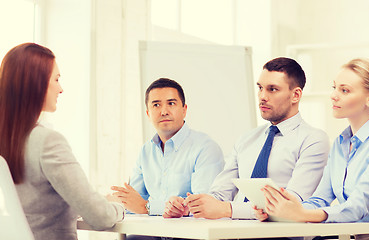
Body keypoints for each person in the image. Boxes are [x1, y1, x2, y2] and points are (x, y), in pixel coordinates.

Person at [256, 58, 369, 240]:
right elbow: (320, 199)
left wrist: (302, 215)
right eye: (334, 87)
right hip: (355, 235)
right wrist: (281, 211)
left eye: (344, 90)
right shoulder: (340, 143)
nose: (334, 95)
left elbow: (357, 207)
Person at [164, 57, 330, 221]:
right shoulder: (247, 139)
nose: (262, 96)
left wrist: (228, 209)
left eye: (272, 89)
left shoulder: (313, 140)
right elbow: (220, 193)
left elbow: (291, 205)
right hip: (238, 234)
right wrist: (190, 206)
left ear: (295, 95)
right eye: (260, 88)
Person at [0, 43, 125, 240]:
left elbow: (41, 206)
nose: (61, 89)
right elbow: (100, 217)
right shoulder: (47, 141)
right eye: (56, 79)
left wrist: (100, 202)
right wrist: (118, 206)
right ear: (36, 83)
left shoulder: (7, 140)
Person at [111, 78, 224, 217]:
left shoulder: (205, 148)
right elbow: (133, 202)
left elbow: (202, 206)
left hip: (190, 235)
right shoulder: (146, 151)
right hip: (154, 232)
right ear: (148, 114)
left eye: (171, 103)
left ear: (184, 110)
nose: (164, 111)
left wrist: (147, 207)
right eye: (156, 105)